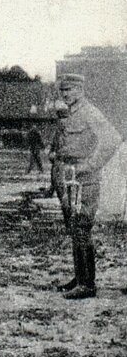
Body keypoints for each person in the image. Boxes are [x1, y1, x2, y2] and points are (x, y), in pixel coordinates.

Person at [53, 74, 120, 299]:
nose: (65, 94)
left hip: (86, 179)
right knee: (74, 227)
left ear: (81, 89)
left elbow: (112, 139)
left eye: (70, 90)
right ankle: (79, 277)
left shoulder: (89, 112)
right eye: (63, 91)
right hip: (70, 176)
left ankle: (87, 284)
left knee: (82, 226)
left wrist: (92, 164)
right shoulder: (70, 114)